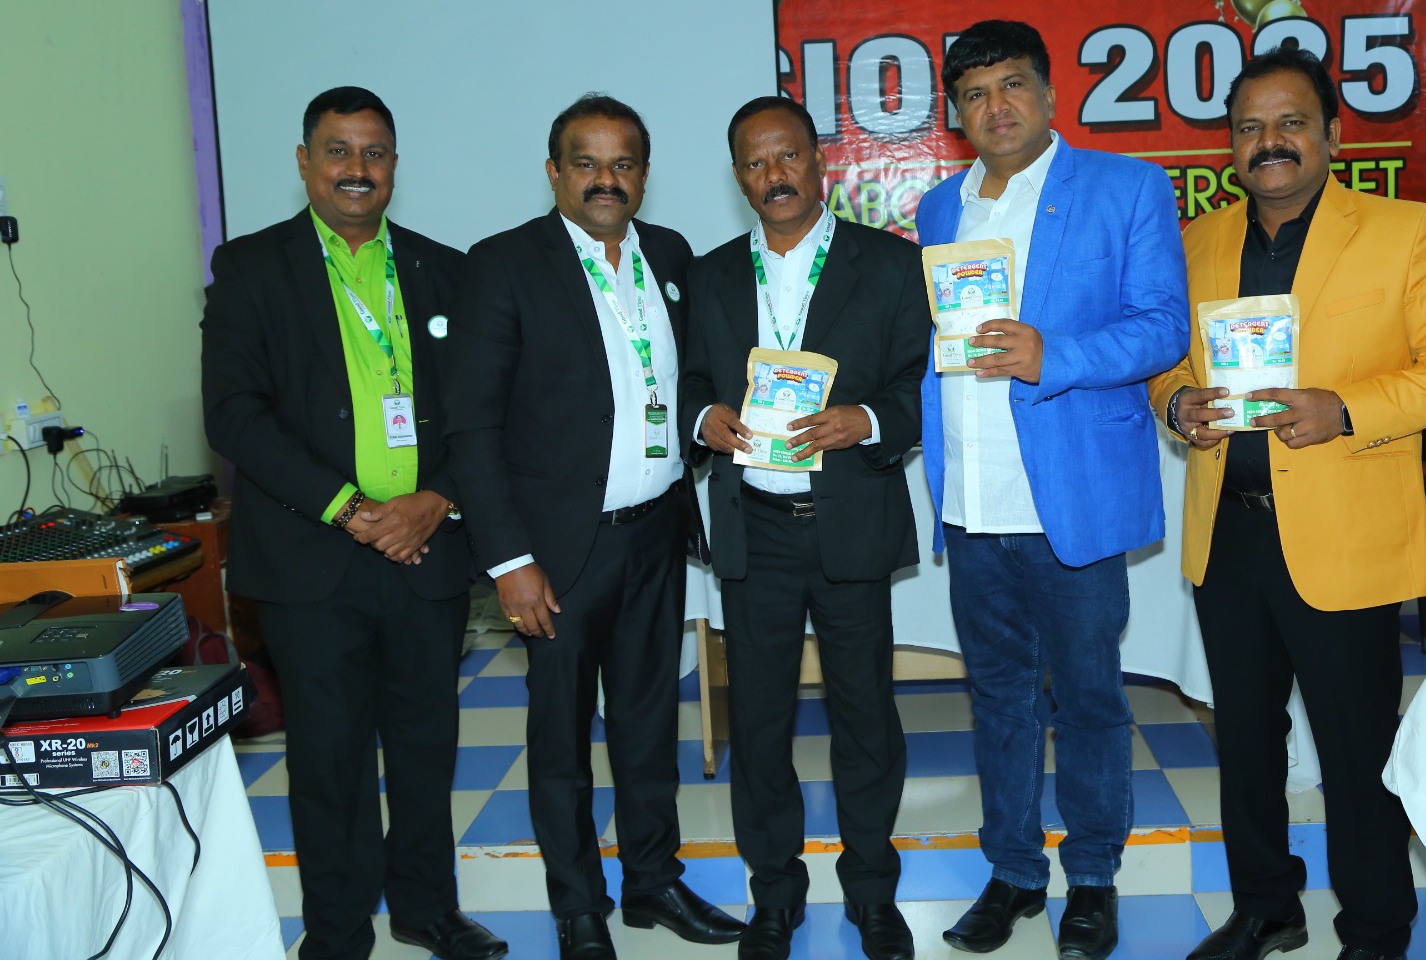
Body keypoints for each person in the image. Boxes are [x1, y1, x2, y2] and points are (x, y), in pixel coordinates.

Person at [1148, 43, 1426, 960]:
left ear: (1334, 135)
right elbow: (1167, 363)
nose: (1269, 142)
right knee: (1246, 741)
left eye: (1291, 122)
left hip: (1344, 537)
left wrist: (1343, 409)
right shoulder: (1198, 240)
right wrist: (1178, 405)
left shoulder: (1402, 230)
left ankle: (1376, 930)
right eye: (1249, 127)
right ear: (1230, 145)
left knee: (1356, 750)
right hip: (1228, 533)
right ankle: (1267, 907)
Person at [201, 87, 505, 960]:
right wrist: (349, 508)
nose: (357, 169)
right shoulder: (251, 268)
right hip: (312, 557)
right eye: (338, 150)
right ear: (305, 162)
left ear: (395, 165)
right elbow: (235, 414)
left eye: (374, 152)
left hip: (425, 550)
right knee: (327, 756)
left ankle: (427, 909)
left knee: (425, 745)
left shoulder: (446, 269)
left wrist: (436, 499)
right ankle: (336, 930)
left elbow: (483, 411)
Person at [444, 94, 741, 960]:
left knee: (648, 723)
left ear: (644, 175)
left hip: (657, 533)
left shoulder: (672, 255)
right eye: (586, 163)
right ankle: (578, 905)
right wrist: (509, 559)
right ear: (554, 172)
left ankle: (652, 882)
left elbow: (686, 383)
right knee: (561, 738)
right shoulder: (503, 265)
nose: (606, 180)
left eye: (623, 164)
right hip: (558, 552)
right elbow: (472, 426)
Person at [916, 20, 1189, 960]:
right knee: (997, 702)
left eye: (1012, 85)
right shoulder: (939, 208)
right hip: (971, 501)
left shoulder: (1126, 188)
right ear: (956, 115)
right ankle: (1014, 872)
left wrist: (1054, 355)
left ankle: (1095, 877)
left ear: (1049, 93)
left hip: (1068, 499)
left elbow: (1164, 327)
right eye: (975, 94)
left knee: (1089, 699)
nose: (996, 106)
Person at [680, 96, 928, 960]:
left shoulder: (890, 264)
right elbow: (686, 383)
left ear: (819, 162)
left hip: (849, 523)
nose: (774, 175)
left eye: (787, 156)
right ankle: (774, 897)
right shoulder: (709, 276)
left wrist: (868, 419)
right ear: (738, 177)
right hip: (755, 531)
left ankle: (873, 893)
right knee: (758, 724)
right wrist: (702, 417)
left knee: (866, 717)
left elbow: (919, 386)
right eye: (755, 163)